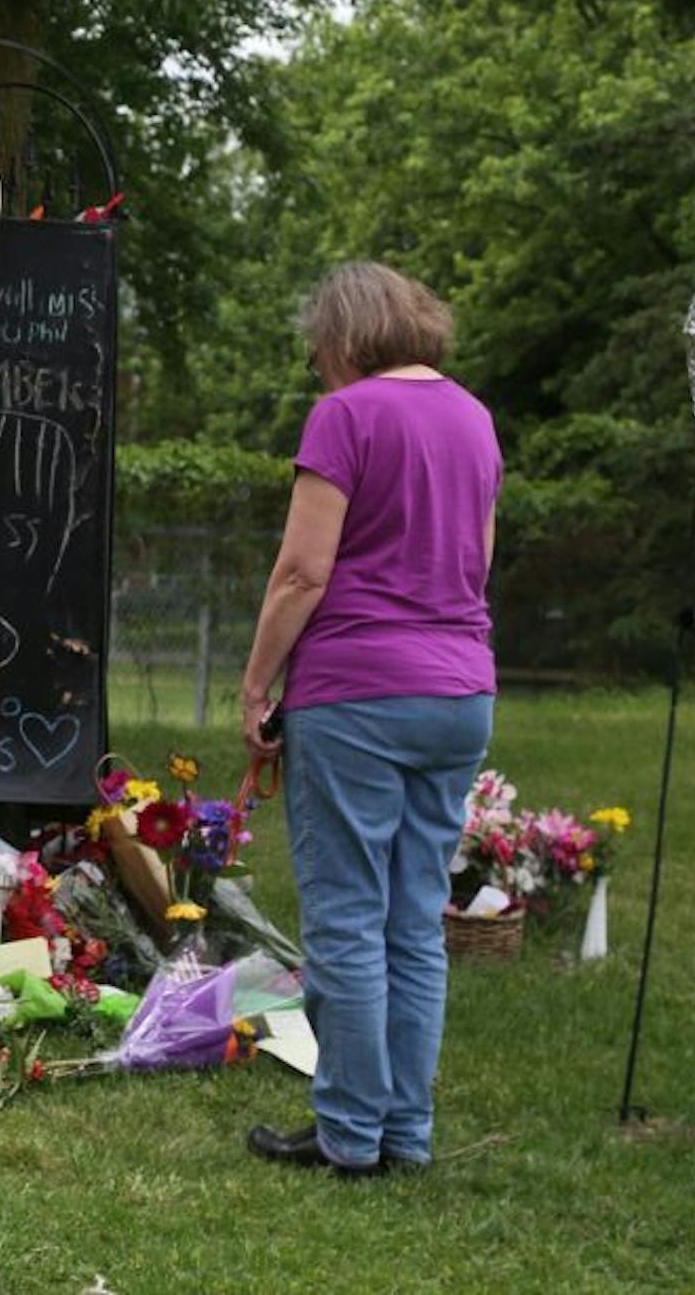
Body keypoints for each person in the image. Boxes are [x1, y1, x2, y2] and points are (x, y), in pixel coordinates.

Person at [239, 261, 500, 1178]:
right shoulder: (474, 419)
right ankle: (407, 1136)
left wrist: (257, 683)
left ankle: (350, 1135)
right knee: (414, 921)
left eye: (320, 353)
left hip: (358, 691)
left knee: (348, 920)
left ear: (347, 337)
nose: (320, 371)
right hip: (461, 691)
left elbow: (304, 573)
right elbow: (476, 564)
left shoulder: (345, 416)